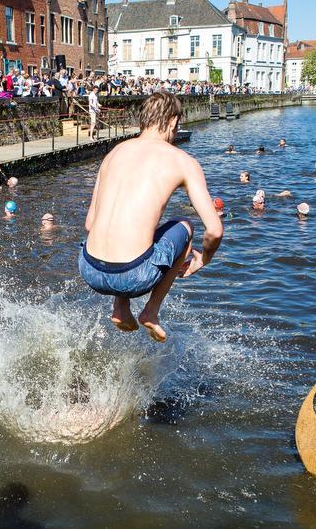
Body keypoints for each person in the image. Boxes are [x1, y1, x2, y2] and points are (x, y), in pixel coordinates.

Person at [79, 92, 223, 343]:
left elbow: (89, 224)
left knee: (137, 232)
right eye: (177, 126)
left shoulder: (113, 154)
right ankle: (151, 311)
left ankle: (120, 308)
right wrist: (204, 259)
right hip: (133, 276)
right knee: (184, 225)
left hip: (89, 268)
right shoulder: (183, 161)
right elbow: (215, 230)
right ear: (172, 121)